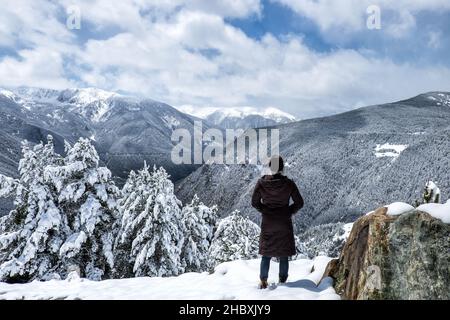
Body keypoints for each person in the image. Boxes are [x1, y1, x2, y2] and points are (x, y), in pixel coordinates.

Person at [251, 155, 304, 289]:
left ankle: (263, 281)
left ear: (270, 167)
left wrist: (265, 210)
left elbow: (254, 202)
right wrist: (288, 211)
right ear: (282, 168)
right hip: (284, 223)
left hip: (268, 222)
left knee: (266, 253)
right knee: (283, 253)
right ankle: (283, 281)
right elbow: (299, 202)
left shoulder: (261, 183)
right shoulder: (289, 184)